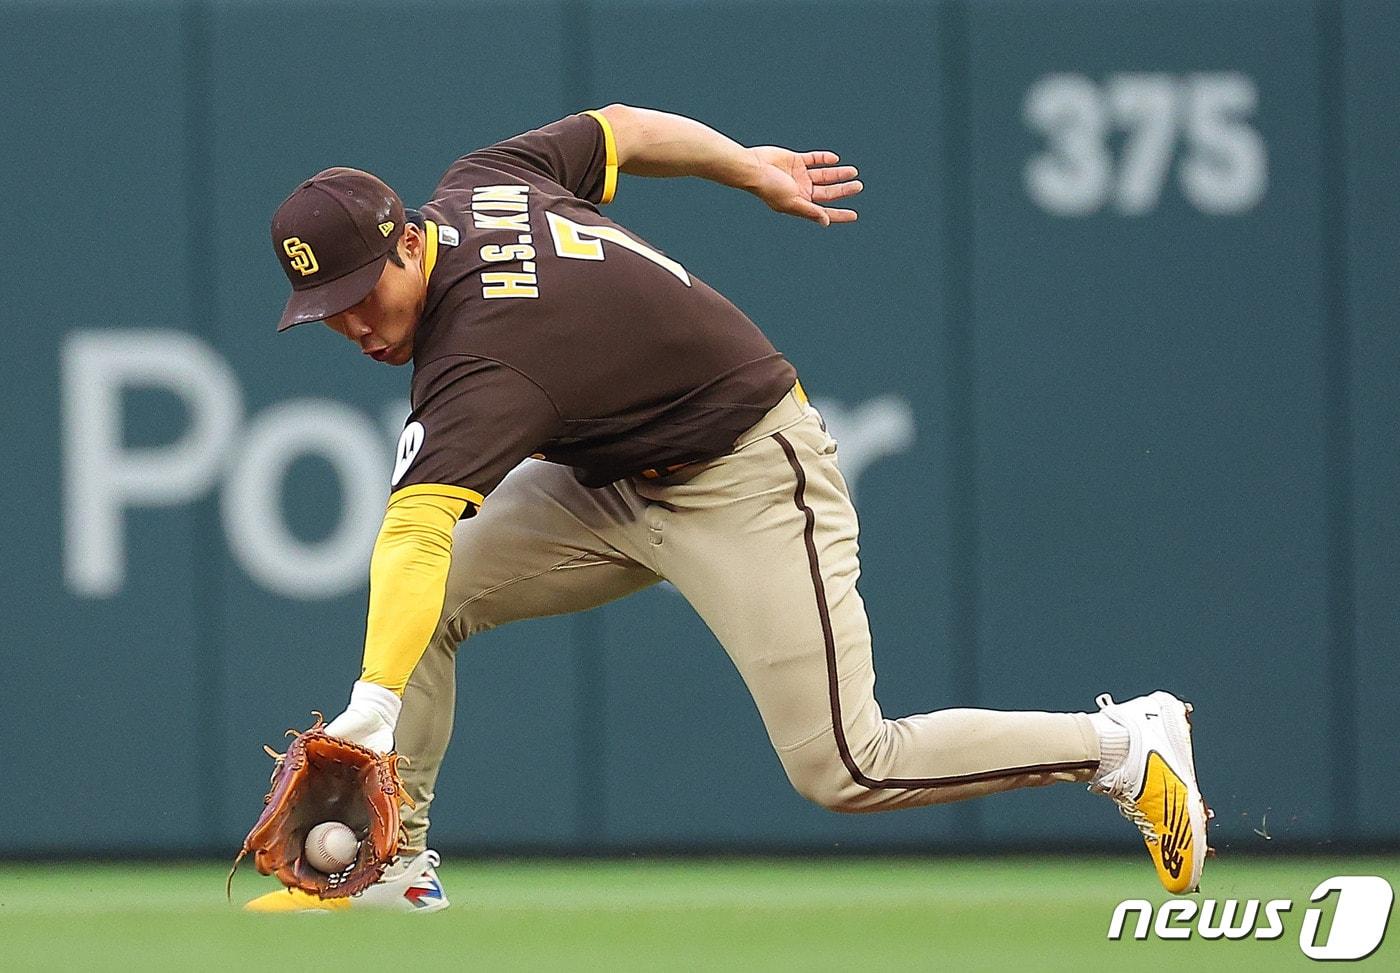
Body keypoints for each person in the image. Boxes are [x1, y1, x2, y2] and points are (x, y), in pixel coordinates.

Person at [246, 106, 1209, 913]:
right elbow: (619, 129)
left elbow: (414, 527)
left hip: (744, 469)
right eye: (330, 309)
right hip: (609, 475)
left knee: (847, 764)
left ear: (409, 239)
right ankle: (397, 866)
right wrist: (744, 166)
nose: (358, 325)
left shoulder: (479, 353)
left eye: (366, 292)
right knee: (432, 604)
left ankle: (1123, 744)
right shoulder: (483, 182)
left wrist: (371, 706)